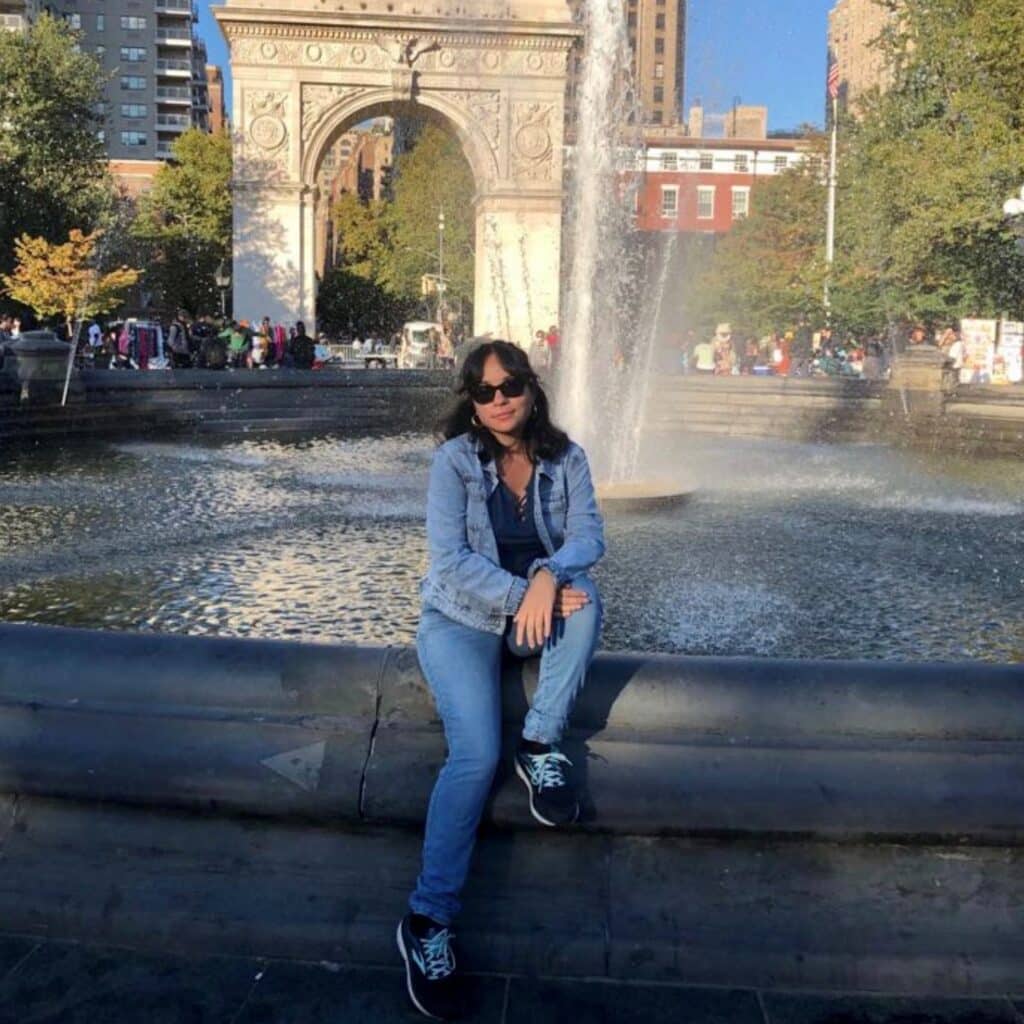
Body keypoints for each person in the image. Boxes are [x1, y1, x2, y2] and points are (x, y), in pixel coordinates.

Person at [398, 340, 604, 1021]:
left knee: (586, 599)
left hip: (527, 609)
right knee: (474, 755)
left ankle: (541, 743)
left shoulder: (565, 456)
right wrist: (525, 593)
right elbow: (450, 562)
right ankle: (428, 920)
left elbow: (589, 536)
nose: (499, 401)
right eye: (484, 392)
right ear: (471, 399)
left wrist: (548, 574)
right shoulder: (455, 460)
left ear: (530, 387)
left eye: (510, 386)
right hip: (459, 620)